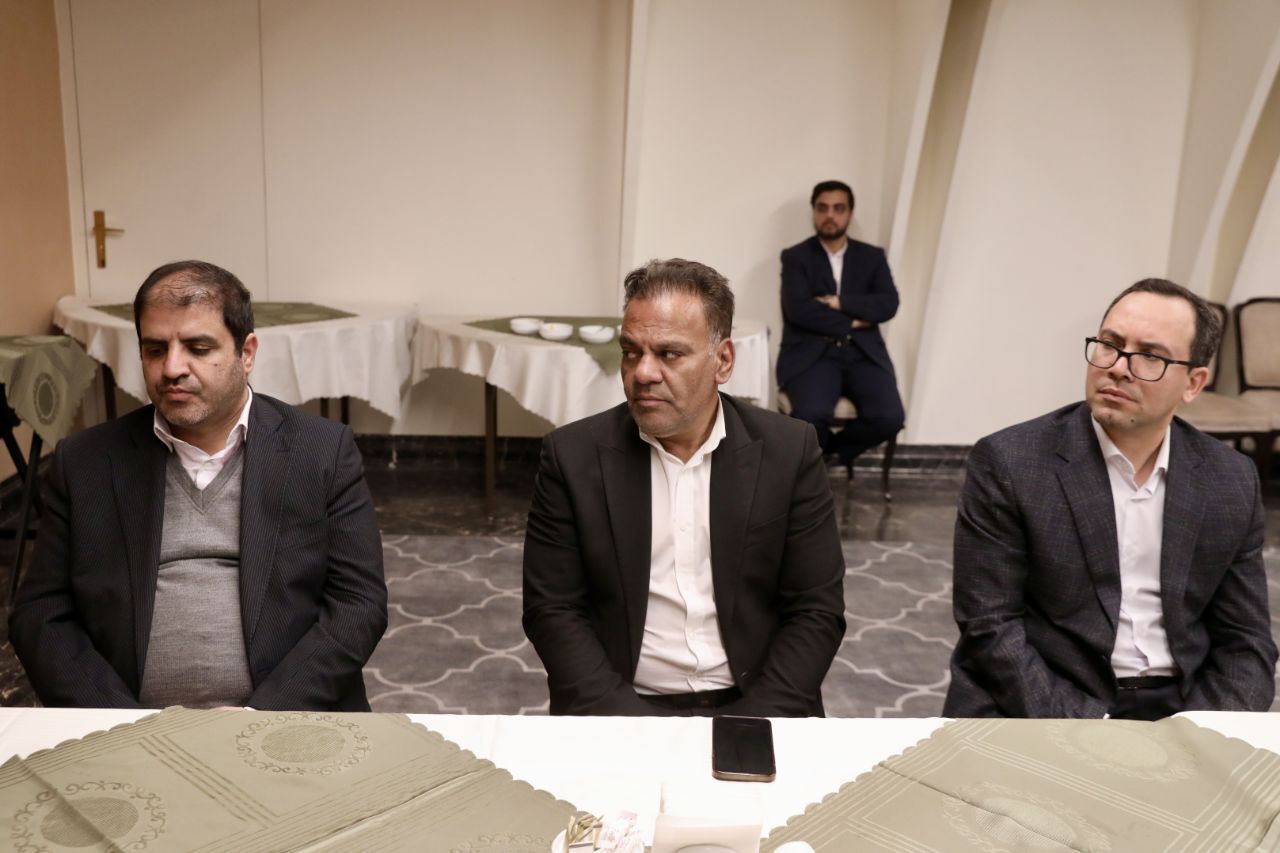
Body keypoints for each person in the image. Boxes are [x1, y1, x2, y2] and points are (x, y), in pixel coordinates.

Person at [10, 260, 387, 710]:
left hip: (287, 722)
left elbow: (358, 604)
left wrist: (261, 718)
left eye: (198, 347)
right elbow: (41, 614)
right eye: (155, 349)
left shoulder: (321, 452)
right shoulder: (85, 462)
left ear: (247, 353)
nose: (172, 368)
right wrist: (125, 725)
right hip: (127, 728)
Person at [523, 258, 846, 716]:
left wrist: (750, 722)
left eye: (669, 354)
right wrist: (634, 726)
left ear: (723, 361)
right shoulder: (572, 457)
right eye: (631, 351)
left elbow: (816, 610)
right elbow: (552, 610)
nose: (643, 373)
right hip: (620, 706)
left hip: (759, 702)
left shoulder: (789, 450)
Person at [945, 278, 1276, 720]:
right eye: (1110, 345)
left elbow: (1246, 640)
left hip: (1180, 702)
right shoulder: (1011, 462)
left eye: (1151, 356)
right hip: (1047, 695)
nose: (1119, 367)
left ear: (1193, 383)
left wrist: (1201, 728)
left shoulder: (1230, 479)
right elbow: (990, 627)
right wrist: (1095, 732)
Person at [777, 180, 904, 468]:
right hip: (813, 354)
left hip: (863, 353)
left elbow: (888, 304)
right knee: (810, 414)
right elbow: (799, 311)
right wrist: (857, 320)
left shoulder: (872, 257)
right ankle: (816, 461)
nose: (830, 215)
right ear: (814, 211)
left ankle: (829, 454)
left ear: (849, 213)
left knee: (890, 417)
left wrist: (837, 302)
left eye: (838, 208)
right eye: (822, 208)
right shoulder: (796, 257)